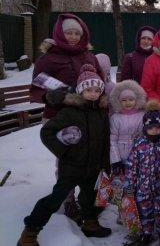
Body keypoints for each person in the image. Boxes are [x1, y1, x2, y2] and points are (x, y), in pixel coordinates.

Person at [17, 65, 111, 246]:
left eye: (96, 90)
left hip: (92, 167)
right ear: (80, 91)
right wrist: (64, 151)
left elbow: (106, 139)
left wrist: (104, 164)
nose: (92, 94)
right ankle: (30, 233)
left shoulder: (101, 113)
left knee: (89, 196)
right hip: (71, 167)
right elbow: (47, 133)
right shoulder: (68, 112)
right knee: (55, 198)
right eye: (88, 90)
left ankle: (90, 224)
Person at [30, 13, 102, 223]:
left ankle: (88, 199)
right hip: (59, 116)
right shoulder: (48, 58)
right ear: (60, 34)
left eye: (76, 33)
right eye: (68, 33)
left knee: (88, 158)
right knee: (67, 160)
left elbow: (99, 81)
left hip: (87, 116)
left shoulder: (89, 56)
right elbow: (35, 89)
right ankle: (69, 201)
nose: (72, 37)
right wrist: (48, 96)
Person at [122, 99, 160, 246]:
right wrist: (129, 185)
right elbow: (132, 166)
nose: (155, 131)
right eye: (151, 128)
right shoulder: (139, 144)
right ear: (145, 128)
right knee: (145, 211)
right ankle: (147, 233)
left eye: (158, 127)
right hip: (143, 188)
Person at [108, 80, 146, 173]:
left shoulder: (142, 116)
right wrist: (115, 160)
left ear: (136, 100)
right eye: (124, 100)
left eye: (131, 99)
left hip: (138, 158)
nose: (128, 103)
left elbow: (144, 137)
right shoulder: (115, 118)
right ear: (118, 102)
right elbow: (112, 139)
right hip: (121, 158)